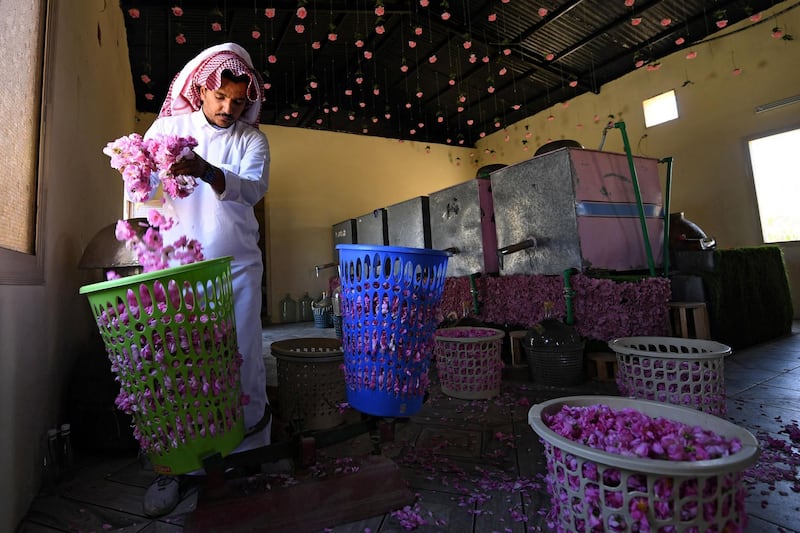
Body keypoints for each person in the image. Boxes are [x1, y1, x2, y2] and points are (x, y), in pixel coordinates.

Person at [139, 42, 271, 517]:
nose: (227, 109)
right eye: (219, 98)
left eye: (238, 101)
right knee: (181, 360)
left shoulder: (252, 140)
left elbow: (252, 190)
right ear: (200, 90)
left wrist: (209, 172)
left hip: (237, 265)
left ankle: (244, 458)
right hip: (177, 267)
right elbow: (144, 187)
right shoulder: (169, 128)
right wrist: (143, 179)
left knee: (242, 355)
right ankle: (177, 467)